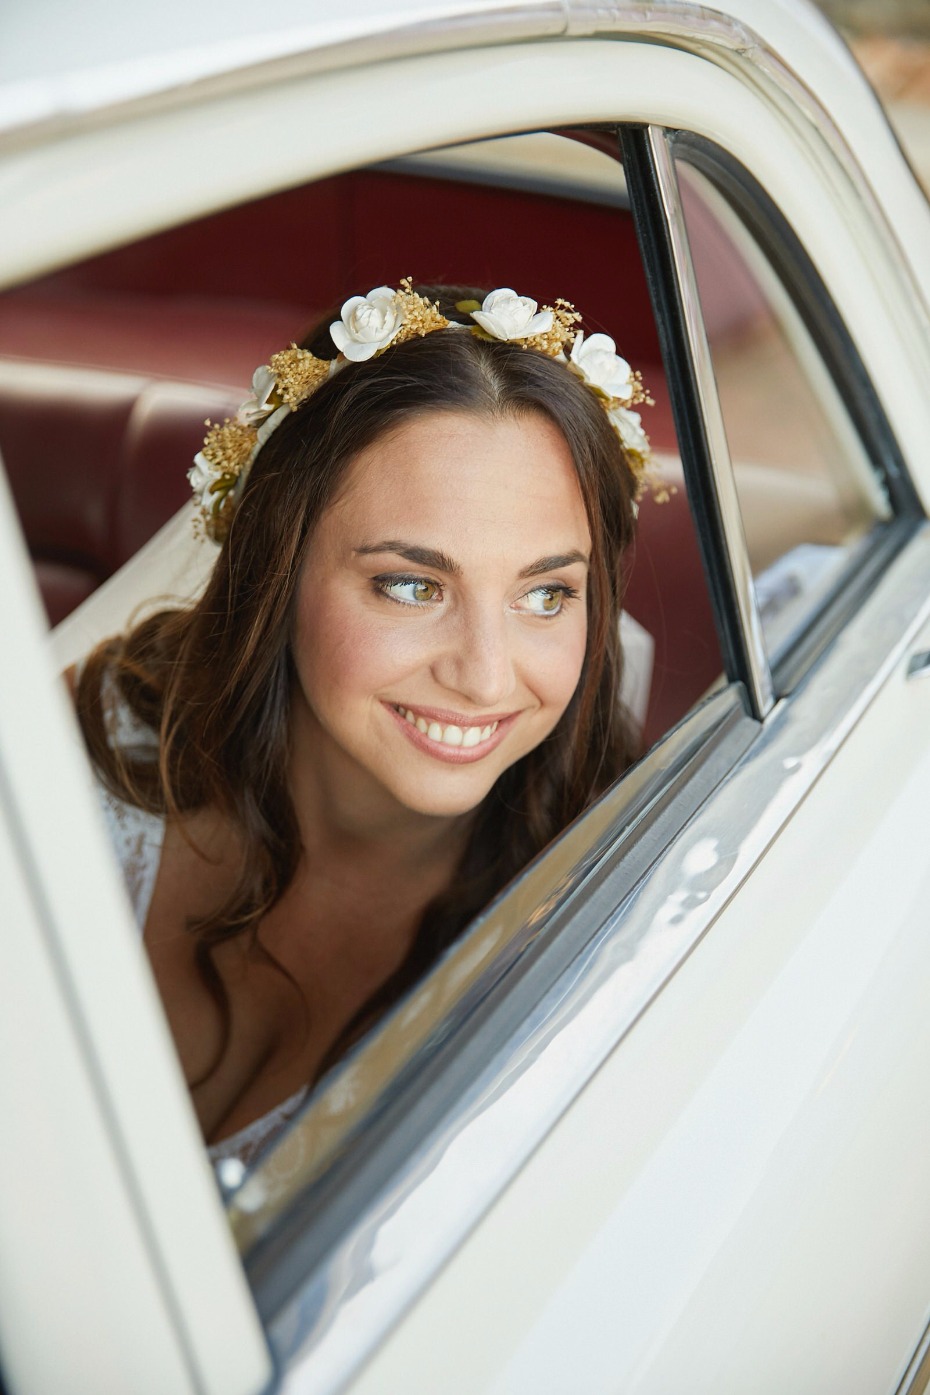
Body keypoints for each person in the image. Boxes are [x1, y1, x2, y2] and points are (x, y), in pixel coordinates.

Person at [72, 280, 652, 1168]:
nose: (485, 675)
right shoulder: (73, 766)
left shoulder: (595, 942)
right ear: (279, 567)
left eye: (546, 594)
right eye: (412, 584)